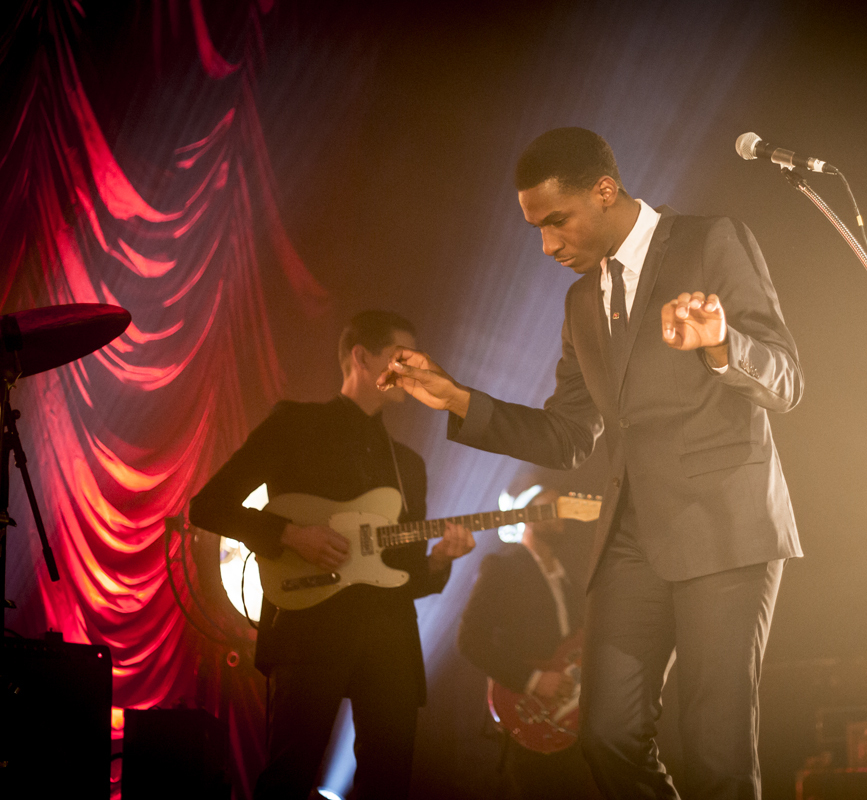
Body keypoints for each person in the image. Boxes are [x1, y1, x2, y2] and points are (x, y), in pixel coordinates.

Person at [380, 127, 802, 799]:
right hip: (632, 537)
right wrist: (456, 398)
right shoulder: (582, 301)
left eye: (557, 221)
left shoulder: (710, 240)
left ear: (605, 192)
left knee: (717, 754)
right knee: (605, 736)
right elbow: (569, 436)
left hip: (725, 525)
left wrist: (723, 345)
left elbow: (787, 380)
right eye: (536, 229)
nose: (547, 245)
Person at [189, 311, 475, 800]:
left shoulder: (408, 463)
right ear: (361, 357)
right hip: (308, 629)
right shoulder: (294, 424)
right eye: (400, 360)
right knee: (287, 778)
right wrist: (289, 534)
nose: (413, 373)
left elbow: (407, 576)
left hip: (389, 639)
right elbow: (207, 506)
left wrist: (441, 560)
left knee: (388, 784)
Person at [457, 487, 601, 800]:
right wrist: (534, 680)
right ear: (526, 515)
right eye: (546, 506)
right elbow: (469, 640)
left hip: (571, 719)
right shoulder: (502, 567)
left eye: (559, 506)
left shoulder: (572, 581)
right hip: (527, 710)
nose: (557, 511)